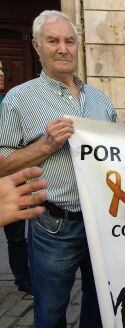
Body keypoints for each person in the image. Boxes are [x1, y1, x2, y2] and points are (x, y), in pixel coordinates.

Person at [0, 10, 117, 328]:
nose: (63, 48)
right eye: (53, 40)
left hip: (103, 225)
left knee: (102, 309)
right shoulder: (18, 99)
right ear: (37, 47)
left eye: (69, 40)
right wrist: (44, 146)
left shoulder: (100, 100)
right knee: (50, 315)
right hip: (54, 225)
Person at [0, 59, 33, 294]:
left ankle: (23, 279)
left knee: (16, 236)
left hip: (10, 177)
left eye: (1, 69)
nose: (0, 74)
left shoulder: (10, 102)